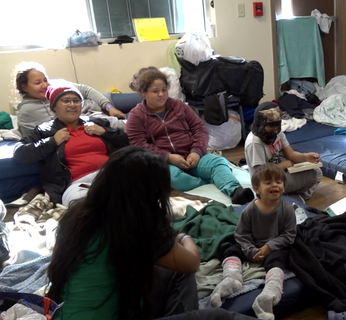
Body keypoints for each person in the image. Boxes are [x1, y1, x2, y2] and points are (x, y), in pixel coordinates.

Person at [46, 146, 258, 320]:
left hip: (63, 315)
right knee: (217, 316)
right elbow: (192, 262)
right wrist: (182, 236)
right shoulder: (136, 224)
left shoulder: (76, 214)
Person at [125, 68, 254, 204]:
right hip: (164, 162)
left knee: (218, 162)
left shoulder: (178, 106)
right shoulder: (136, 115)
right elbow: (137, 144)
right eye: (155, 91)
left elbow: (200, 129)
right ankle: (207, 181)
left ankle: (235, 191)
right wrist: (168, 157)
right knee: (172, 177)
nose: (161, 94)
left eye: (164, 89)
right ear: (143, 92)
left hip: (192, 156)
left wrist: (196, 152)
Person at [13, 84, 128, 206]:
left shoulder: (95, 122)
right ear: (54, 107)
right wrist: (52, 141)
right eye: (66, 101)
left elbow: (125, 141)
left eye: (76, 101)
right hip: (76, 185)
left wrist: (105, 132)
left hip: (109, 175)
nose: (72, 104)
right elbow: (19, 153)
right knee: (85, 205)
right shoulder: (44, 130)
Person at [209, 164, 295, 319]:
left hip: (274, 248)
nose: (275, 185)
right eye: (268, 182)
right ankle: (232, 279)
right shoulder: (250, 210)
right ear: (257, 188)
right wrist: (251, 250)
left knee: (281, 257)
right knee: (230, 249)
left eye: (279, 181)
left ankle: (270, 292)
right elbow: (241, 234)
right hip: (252, 247)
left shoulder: (287, 209)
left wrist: (270, 246)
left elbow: (289, 235)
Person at [13, 62, 126, 138]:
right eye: (37, 83)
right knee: (137, 116)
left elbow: (86, 90)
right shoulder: (27, 110)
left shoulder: (56, 85)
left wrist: (108, 106)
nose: (44, 85)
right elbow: (32, 139)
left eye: (45, 80)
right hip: (96, 115)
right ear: (24, 87)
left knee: (140, 97)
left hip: (104, 102)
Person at [244, 102, 322, 202]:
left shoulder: (278, 132)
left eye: (277, 127)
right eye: (271, 128)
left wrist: (306, 157)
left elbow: (291, 154)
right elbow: (261, 174)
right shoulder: (254, 142)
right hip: (267, 180)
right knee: (312, 176)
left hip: (279, 172)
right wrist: (282, 165)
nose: (275, 131)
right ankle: (289, 196)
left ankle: (294, 196)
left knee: (317, 171)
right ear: (261, 126)